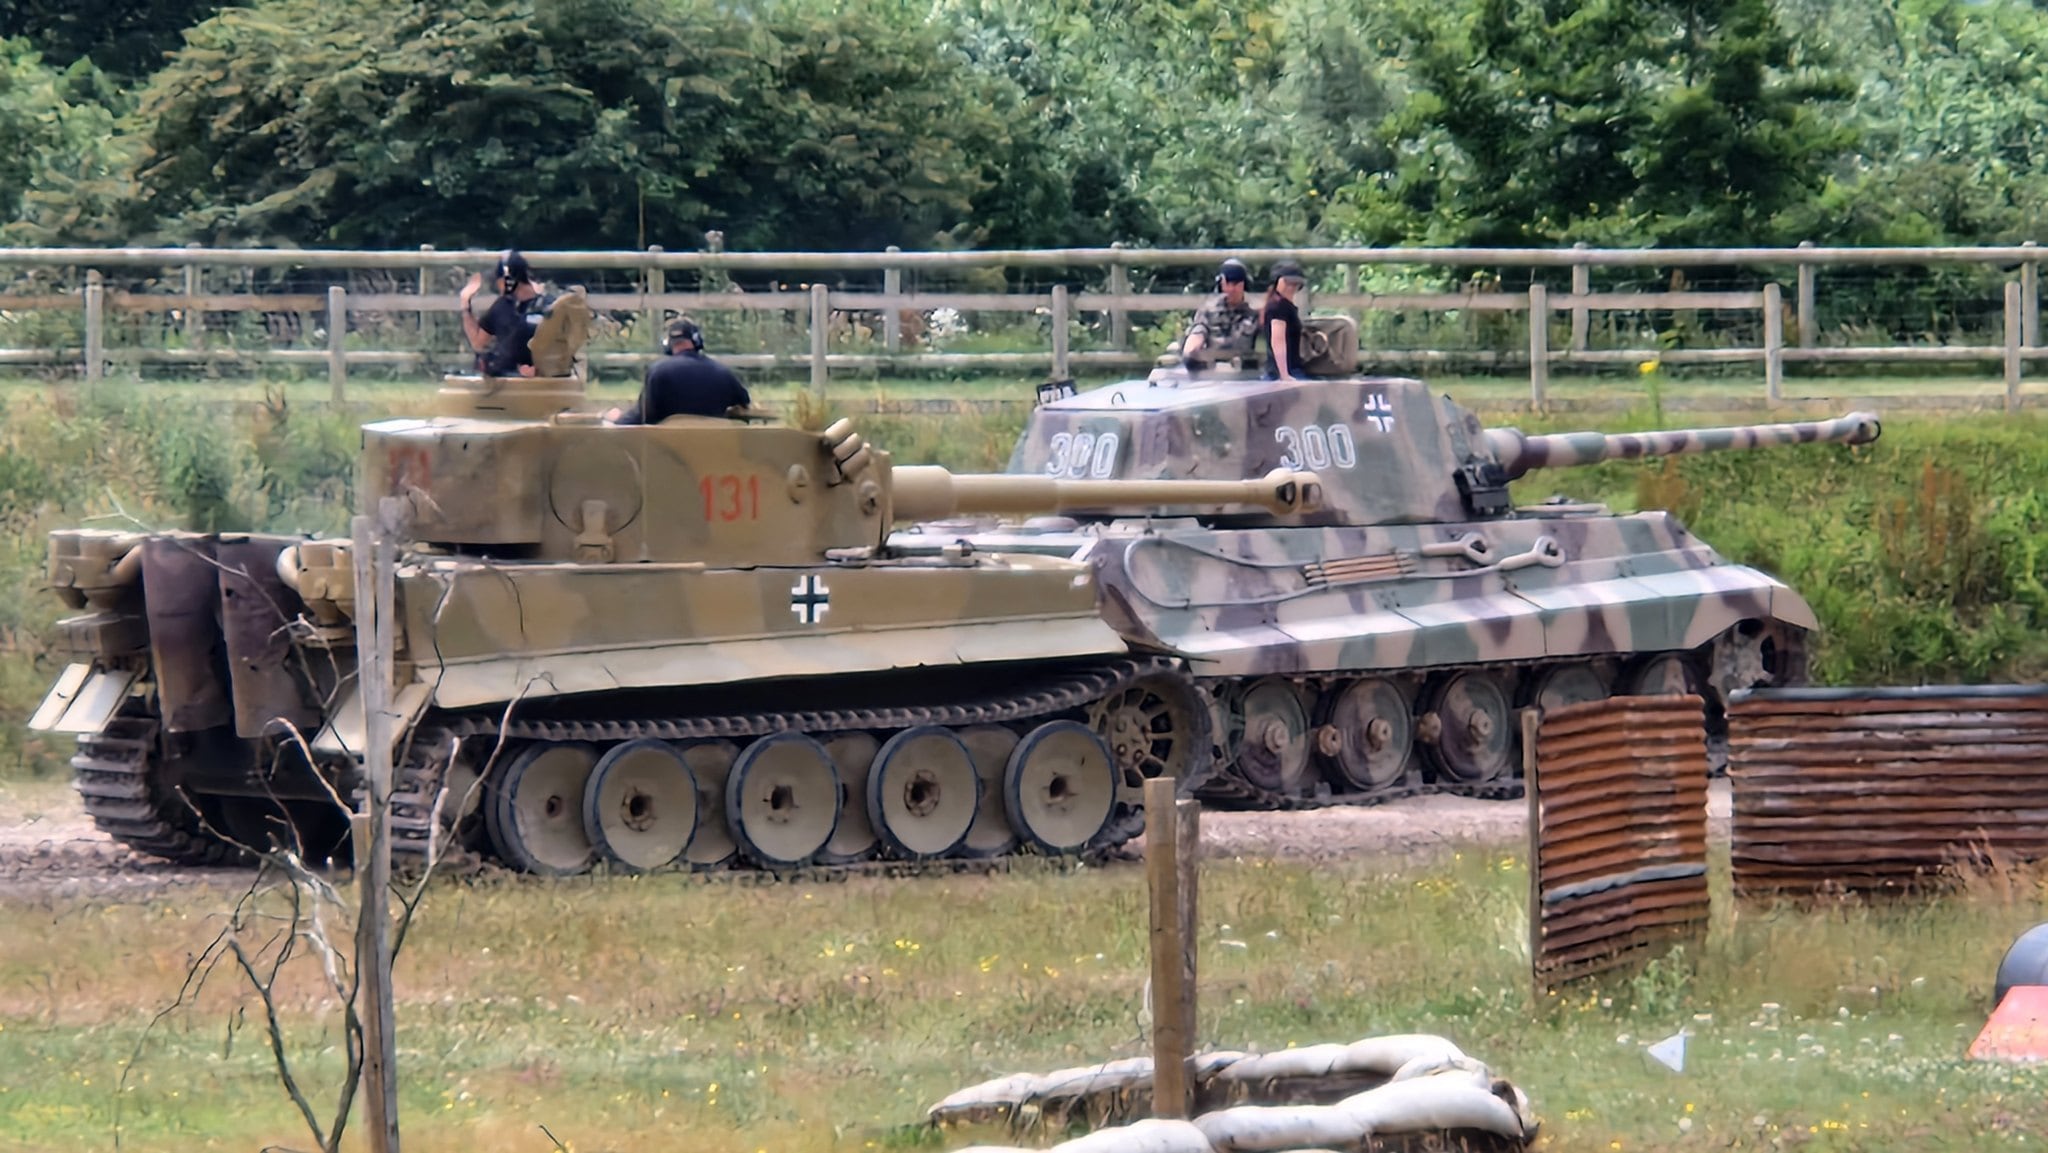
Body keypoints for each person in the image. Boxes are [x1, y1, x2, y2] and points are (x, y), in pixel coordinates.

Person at [605, 317, 752, 424]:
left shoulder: (658, 372)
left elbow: (643, 416)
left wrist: (616, 419)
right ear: (697, 340)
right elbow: (744, 404)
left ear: (668, 345)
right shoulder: (722, 373)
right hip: (713, 452)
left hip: (668, 456)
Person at [460, 249, 545, 377]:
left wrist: (465, 304)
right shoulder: (549, 304)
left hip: (512, 381)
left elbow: (478, 343)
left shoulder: (502, 307)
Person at [1179, 258, 1259, 370]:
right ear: (1221, 283)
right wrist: (1193, 346)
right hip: (1213, 370)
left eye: (1236, 284)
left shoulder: (1255, 311)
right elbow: (1199, 330)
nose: (1231, 289)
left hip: (1245, 372)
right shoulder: (1209, 309)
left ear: (1244, 284)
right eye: (1227, 283)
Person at [1261, 260, 1308, 382]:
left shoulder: (1282, 305)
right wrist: (1284, 375)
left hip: (1284, 370)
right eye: (1287, 283)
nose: (1291, 287)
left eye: (1295, 284)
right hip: (1284, 372)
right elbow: (1278, 340)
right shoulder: (1279, 307)